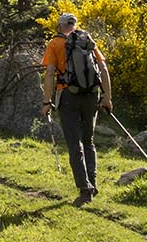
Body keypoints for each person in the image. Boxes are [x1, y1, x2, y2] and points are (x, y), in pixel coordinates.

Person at [41, 13, 112, 205]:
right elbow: (103, 68)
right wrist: (107, 97)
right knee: (88, 141)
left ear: (59, 26)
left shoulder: (55, 44)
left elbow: (49, 74)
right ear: (74, 25)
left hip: (68, 96)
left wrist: (46, 102)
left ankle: (84, 189)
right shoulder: (86, 39)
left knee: (74, 144)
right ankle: (93, 184)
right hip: (91, 95)